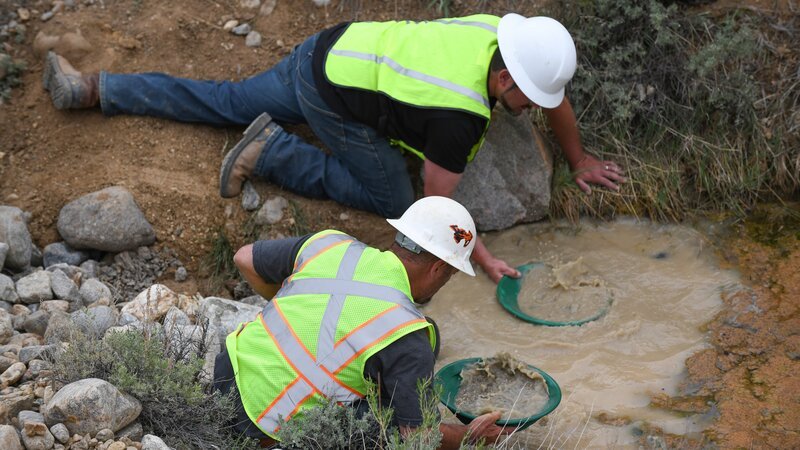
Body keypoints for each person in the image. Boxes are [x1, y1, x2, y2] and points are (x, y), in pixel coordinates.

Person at [42, 13, 625, 283]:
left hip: (327, 50)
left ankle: (94, 89)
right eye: (530, 98)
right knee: (395, 198)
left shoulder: (498, 33)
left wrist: (579, 162)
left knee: (227, 100)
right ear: (505, 79)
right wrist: (482, 258)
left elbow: (552, 95)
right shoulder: (461, 119)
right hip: (333, 99)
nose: (536, 108)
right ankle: (273, 152)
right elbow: (435, 209)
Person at [211, 196, 510, 448]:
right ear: (438, 268)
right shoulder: (407, 335)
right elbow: (419, 438)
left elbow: (244, 258)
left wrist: (287, 302)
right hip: (264, 425)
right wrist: (470, 437)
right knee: (388, 422)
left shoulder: (329, 244)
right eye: (451, 274)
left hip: (226, 377)